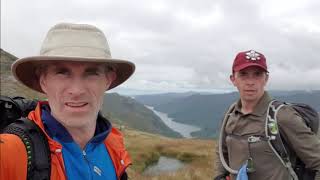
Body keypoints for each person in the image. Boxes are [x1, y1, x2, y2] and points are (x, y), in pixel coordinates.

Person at [0, 22, 135, 180]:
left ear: (108, 80)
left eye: (91, 73)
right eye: (62, 72)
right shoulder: (9, 152)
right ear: (43, 80)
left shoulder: (113, 143)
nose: (76, 90)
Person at [214, 50, 320, 180]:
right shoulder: (230, 114)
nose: (250, 82)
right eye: (243, 74)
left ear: (266, 79)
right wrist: (220, 176)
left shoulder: (282, 116)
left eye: (257, 74)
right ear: (233, 79)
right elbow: (222, 152)